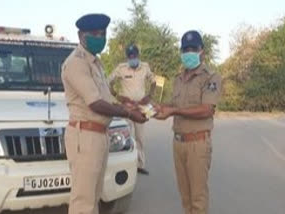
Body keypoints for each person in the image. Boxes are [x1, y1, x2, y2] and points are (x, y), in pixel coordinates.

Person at [61, 14, 147, 214]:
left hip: (99, 135)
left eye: (103, 33)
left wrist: (129, 107)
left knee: (94, 197)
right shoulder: (77, 62)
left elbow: (106, 100)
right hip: (85, 137)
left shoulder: (95, 63)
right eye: (94, 34)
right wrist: (128, 113)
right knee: (83, 200)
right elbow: (95, 103)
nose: (100, 37)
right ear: (81, 35)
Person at [155, 30, 222, 214]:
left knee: (198, 198)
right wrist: (158, 108)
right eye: (185, 49)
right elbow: (174, 104)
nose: (189, 52)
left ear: (202, 51)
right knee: (185, 196)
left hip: (197, 144)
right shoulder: (178, 78)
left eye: (193, 48)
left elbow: (207, 110)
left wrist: (173, 111)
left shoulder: (210, 77)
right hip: (178, 143)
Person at [109, 44, 156, 175]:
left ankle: (140, 165)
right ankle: (125, 165)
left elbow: (153, 82)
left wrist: (150, 96)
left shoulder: (145, 67)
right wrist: (117, 96)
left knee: (140, 137)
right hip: (127, 108)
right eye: (130, 56)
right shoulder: (121, 68)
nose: (132, 58)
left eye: (134, 56)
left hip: (141, 107)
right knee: (126, 136)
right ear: (127, 57)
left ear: (138, 55)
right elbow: (109, 82)